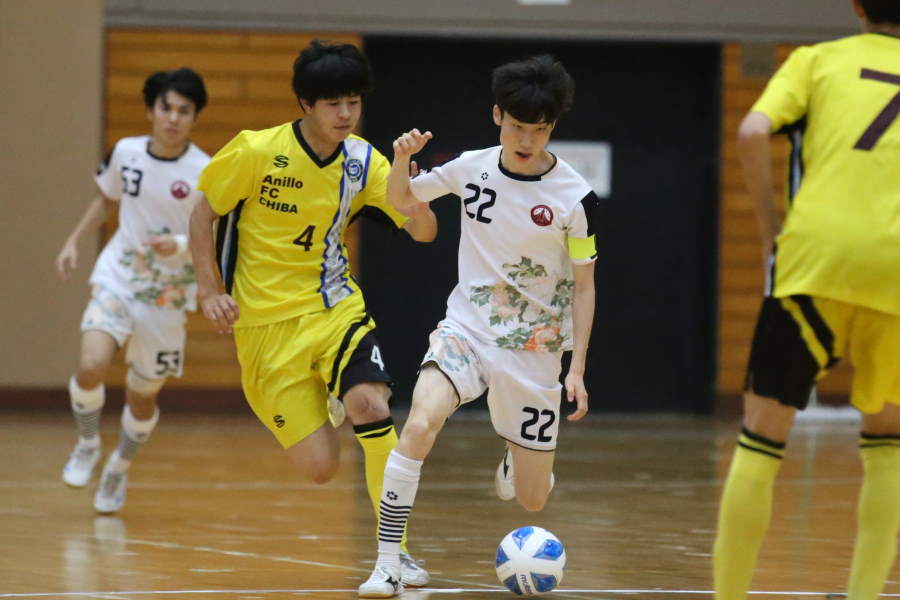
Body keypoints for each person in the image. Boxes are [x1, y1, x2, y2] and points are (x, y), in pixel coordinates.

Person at [189, 40, 436, 587]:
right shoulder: (255, 152)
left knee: (371, 405)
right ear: (305, 103)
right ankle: (328, 397)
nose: (346, 114)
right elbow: (202, 213)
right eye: (333, 104)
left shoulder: (363, 160)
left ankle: (395, 552)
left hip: (334, 309)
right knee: (321, 468)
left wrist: (406, 182)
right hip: (263, 330)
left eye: (353, 102)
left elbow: (424, 232)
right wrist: (209, 290)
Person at [359, 54, 597, 597]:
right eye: (517, 126)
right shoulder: (471, 167)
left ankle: (517, 461)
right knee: (419, 423)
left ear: (552, 127)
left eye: (538, 130)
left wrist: (576, 367)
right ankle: (387, 562)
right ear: (497, 116)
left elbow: (584, 285)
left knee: (533, 500)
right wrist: (401, 160)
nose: (526, 139)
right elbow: (401, 200)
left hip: (535, 349)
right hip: (466, 330)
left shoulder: (575, 197)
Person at [713, 2, 900, 598]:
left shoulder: (818, 61)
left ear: (855, 6)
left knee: (761, 440)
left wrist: (772, 231)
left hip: (814, 260)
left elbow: (750, 131)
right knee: (887, 446)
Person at [56, 68, 210, 514]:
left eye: (184, 111)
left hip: (167, 295)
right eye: (166, 108)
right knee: (92, 364)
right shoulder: (126, 152)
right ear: (151, 110)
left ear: (194, 118)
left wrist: (178, 246)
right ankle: (87, 443)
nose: (173, 118)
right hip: (119, 276)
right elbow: (106, 198)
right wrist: (73, 240)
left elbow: (210, 233)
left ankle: (118, 467)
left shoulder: (204, 170)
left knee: (142, 398)